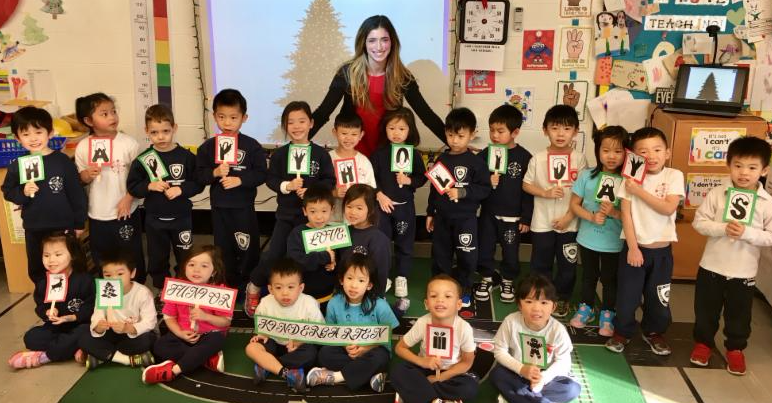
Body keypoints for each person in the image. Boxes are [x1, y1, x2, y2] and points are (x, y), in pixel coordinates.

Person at [690, 136, 772, 375]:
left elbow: (770, 236)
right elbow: (699, 222)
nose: (744, 173)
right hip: (711, 266)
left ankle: (735, 349)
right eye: (738, 165)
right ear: (728, 165)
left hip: (743, 271)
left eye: (752, 167)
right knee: (706, 310)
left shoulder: (767, 203)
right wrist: (721, 228)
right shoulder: (717, 193)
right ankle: (703, 343)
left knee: (739, 314)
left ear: (764, 170)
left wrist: (748, 233)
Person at [245, 101, 335, 315]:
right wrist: (287, 186)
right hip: (286, 216)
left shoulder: (321, 154)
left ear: (311, 123)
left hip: (313, 220)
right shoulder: (280, 154)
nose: (296, 126)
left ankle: (301, 299)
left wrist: (311, 190)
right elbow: (271, 179)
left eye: (302, 121)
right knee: (275, 254)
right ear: (285, 126)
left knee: (310, 259)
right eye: (291, 122)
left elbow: (329, 180)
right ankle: (254, 286)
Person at [311, 15, 444, 156]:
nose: (379, 47)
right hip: (353, 153)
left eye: (384, 40)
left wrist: (454, 144)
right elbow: (323, 113)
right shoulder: (347, 74)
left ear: (392, 42)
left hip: (386, 154)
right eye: (372, 40)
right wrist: (299, 141)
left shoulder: (402, 77)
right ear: (363, 43)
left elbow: (427, 115)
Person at [605, 128, 684, 356]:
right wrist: (632, 247)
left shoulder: (673, 176)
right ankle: (622, 331)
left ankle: (654, 332)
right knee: (627, 296)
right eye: (643, 151)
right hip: (634, 249)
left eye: (657, 150)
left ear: (667, 152)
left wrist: (639, 191)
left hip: (662, 252)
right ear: (634, 156)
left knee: (658, 297)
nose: (651, 156)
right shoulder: (630, 178)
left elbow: (668, 207)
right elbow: (626, 215)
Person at [1, 106, 86, 284]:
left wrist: (79, 223)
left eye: (38, 132)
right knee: (39, 268)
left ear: (50, 133)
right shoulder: (18, 165)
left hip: (62, 226)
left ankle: (74, 297)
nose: (33, 138)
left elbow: (76, 194)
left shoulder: (62, 161)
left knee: (70, 265)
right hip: (35, 227)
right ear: (17, 138)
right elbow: (8, 191)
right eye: (26, 134)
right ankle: (45, 297)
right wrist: (23, 192)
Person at [195, 89, 267, 291]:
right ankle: (227, 284)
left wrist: (240, 180)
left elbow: (261, 174)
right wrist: (215, 172)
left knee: (247, 247)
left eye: (233, 117)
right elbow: (199, 175)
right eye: (222, 117)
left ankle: (250, 284)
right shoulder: (208, 147)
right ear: (214, 116)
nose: (227, 123)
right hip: (220, 207)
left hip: (243, 207)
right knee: (222, 247)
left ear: (244, 118)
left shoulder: (252, 146)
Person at [127, 104, 203, 289]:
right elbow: (133, 186)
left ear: (174, 128)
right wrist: (149, 185)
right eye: (154, 132)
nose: (160, 137)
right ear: (146, 131)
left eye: (165, 131)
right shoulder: (144, 159)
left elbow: (198, 183)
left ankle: (184, 287)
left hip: (181, 218)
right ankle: (161, 288)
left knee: (185, 256)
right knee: (157, 257)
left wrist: (181, 189)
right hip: (154, 220)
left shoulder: (186, 157)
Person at [522, 105, 588, 318]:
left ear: (575, 132)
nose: (560, 134)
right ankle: (540, 298)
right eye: (555, 128)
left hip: (570, 223)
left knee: (567, 265)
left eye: (567, 129)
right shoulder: (538, 158)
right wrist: (545, 192)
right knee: (540, 264)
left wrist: (569, 217)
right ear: (545, 130)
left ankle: (562, 298)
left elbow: (584, 192)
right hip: (542, 223)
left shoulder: (579, 159)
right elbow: (526, 184)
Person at [74, 93, 146, 283]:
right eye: (104, 114)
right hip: (98, 213)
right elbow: (81, 179)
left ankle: (136, 288)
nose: (112, 117)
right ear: (89, 121)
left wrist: (129, 198)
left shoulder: (129, 143)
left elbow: (140, 178)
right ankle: (109, 290)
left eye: (113, 112)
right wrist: (87, 174)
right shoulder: (83, 146)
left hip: (126, 210)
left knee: (130, 252)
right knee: (102, 255)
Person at [427, 108, 492, 309]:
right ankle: (440, 291)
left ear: (472, 134)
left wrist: (462, 192)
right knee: (440, 255)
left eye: (460, 136)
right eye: (450, 135)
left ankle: (463, 290)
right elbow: (434, 189)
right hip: (442, 217)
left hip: (466, 219)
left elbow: (485, 189)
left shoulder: (476, 162)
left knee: (467, 256)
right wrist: (430, 212)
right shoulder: (442, 159)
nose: (454, 140)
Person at [307, 253, 399, 392]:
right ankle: (369, 376)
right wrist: (345, 345)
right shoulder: (334, 303)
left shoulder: (380, 305)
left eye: (361, 280)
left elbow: (387, 335)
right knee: (324, 354)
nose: (354, 285)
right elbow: (330, 334)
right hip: (346, 350)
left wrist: (366, 348)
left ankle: (336, 377)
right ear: (341, 280)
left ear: (369, 285)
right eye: (349, 278)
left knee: (381, 357)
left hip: (372, 350)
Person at [142, 245, 232, 384]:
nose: (196, 270)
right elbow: (169, 317)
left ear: (214, 271)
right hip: (183, 335)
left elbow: (226, 322)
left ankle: (173, 371)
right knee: (159, 346)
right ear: (184, 267)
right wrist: (180, 333)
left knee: (217, 339)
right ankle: (205, 359)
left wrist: (205, 316)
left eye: (204, 266)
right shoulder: (177, 287)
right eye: (191, 264)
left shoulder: (220, 291)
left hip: (208, 336)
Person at [568, 126, 627, 335]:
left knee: (610, 279)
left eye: (618, 151)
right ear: (598, 151)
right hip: (587, 239)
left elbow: (631, 216)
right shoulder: (586, 176)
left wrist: (614, 212)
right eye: (606, 150)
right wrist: (591, 217)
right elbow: (574, 205)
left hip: (614, 242)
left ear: (626, 153)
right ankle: (586, 307)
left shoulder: (628, 182)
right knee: (588, 276)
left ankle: (608, 311)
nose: (611, 156)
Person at [8, 232, 94, 369]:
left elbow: (91, 306)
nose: (51, 260)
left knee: (86, 332)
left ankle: (44, 357)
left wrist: (72, 317)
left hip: (80, 325)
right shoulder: (44, 283)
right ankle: (73, 348)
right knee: (30, 337)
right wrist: (47, 311)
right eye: (46, 255)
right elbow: (40, 305)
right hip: (55, 328)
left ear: (73, 255)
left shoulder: (85, 280)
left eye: (58, 255)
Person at [490, 275, 581, 403]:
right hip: (517, 372)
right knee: (497, 374)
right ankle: (537, 399)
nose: (536, 308)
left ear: (553, 307)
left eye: (544, 303)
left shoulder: (558, 330)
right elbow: (499, 351)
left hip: (545, 377)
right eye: (529, 301)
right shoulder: (511, 321)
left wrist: (543, 378)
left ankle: (517, 396)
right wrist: (521, 369)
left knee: (572, 389)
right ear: (519, 305)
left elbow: (563, 362)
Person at [475, 104, 533, 304]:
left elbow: (528, 191)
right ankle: (486, 277)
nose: (494, 135)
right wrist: (486, 179)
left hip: (512, 217)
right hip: (488, 213)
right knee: (485, 247)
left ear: (515, 132)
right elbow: (475, 179)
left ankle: (508, 280)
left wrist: (526, 217)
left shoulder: (525, 157)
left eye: (500, 131)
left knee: (510, 251)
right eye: (492, 130)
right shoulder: (485, 154)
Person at [391, 274, 479, 403]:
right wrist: (422, 362)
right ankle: (438, 399)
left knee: (469, 387)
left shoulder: (464, 328)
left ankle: (419, 395)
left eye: (447, 296)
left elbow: (466, 362)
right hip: (424, 369)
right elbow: (400, 348)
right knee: (398, 371)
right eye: (433, 296)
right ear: (426, 304)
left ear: (459, 304)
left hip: (451, 372)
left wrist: (440, 378)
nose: (440, 300)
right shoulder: (422, 322)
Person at [371, 107, 427, 301]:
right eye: (392, 128)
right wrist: (379, 195)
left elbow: (422, 177)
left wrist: (409, 180)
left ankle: (402, 277)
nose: (396, 133)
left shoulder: (415, 155)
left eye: (401, 129)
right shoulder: (378, 154)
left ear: (410, 130)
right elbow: (371, 178)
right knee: (382, 243)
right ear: (385, 129)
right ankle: (383, 276)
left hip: (405, 207)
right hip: (382, 207)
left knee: (405, 244)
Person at [247, 258, 324, 393]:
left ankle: (266, 364)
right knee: (251, 348)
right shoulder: (265, 303)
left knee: (311, 353)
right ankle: (288, 372)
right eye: (278, 287)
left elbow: (319, 332)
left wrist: (300, 342)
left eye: (290, 287)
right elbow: (262, 328)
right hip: (273, 342)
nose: (285, 293)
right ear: (270, 289)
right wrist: (262, 335)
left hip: (297, 347)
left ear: (300, 288)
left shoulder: (309, 304)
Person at [78, 249, 157, 369]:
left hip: (130, 335)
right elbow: (97, 315)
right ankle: (125, 359)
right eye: (108, 275)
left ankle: (104, 356)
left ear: (132, 273)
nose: (114, 279)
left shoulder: (143, 293)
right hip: (110, 334)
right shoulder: (104, 292)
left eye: (120, 274)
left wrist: (129, 328)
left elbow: (150, 321)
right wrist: (99, 327)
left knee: (148, 339)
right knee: (84, 338)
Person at [286, 185, 338, 308]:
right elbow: (296, 261)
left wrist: (334, 263)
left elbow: (339, 257)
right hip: (302, 296)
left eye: (324, 211)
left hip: (329, 295)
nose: (319, 217)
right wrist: (325, 257)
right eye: (313, 211)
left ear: (332, 210)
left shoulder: (334, 233)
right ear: (305, 211)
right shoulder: (297, 233)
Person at [339, 184, 392, 296]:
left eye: (359, 208)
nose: (352, 212)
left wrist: (375, 299)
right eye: (349, 206)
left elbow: (381, 274)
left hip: (367, 297)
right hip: (344, 294)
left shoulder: (379, 239)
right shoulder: (342, 232)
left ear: (371, 210)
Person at [329, 112, 376, 222]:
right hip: (333, 218)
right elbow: (319, 188)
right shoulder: (327, 158)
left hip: (357, 220)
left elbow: (371, 190)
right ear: (335, 132)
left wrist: (357, 193)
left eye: (354, 134)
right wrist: (334, 193)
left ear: (361, 135)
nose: (348, 138)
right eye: (344, 133)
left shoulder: (364, 161)